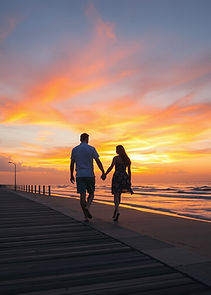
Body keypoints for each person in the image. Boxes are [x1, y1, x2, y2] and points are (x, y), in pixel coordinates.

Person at [70, 133, 105, 221]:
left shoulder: (75, 149)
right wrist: (103, 171)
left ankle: (85, 216)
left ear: (80, 139)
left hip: (80, 175)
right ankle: (87, 206)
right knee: (91, 193)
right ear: (86, 139)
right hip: (89, 174)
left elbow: (72, 163)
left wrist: (71, 175)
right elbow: (98, 161)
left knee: (82, 195)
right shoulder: (91, 148)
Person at [104, 145, 133, 221]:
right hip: (124, 177)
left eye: (116, 149)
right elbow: (129, 172)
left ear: (119, 150)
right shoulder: (127, 159)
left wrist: (105, 174)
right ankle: (116, 210)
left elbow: (111, 167)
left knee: (116, 194)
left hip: (117, 177)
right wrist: (129, 180)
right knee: (119, 194)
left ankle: (117, 210)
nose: (116, 151)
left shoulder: (116, 158)